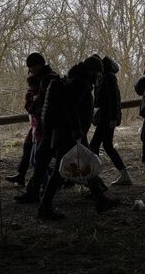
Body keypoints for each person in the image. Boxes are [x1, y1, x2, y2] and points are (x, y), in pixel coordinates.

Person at [37, 56, 119, 220]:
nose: (99, 77)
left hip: (71, 133)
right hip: (70, 134)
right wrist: (76, 129)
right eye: (98, 73)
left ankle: (100, 200)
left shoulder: (76, 80)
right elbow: (71, 106)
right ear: (92, 71)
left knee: (85, 163)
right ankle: (44, 208)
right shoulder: (80, 83)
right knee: (60, 172)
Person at [6, 53, 56, 186]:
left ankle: (47, 183)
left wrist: (34, 106)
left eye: (31, 67)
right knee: (32, 149)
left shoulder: (47, 79)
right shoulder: (41, 79)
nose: (30, 71)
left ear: (37, 65)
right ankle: (26, 178)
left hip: (46, 123)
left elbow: (44, 104)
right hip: (40, 123)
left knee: (40, 158)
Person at [90, 56, 130, 185]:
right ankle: (123, 174)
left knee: (95, 145)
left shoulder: (108, 77)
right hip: (105, 117)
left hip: (107, 117)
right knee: (106, 145)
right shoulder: (105, 77)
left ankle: (95, 177)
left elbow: (114, 98)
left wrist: (114, 118)